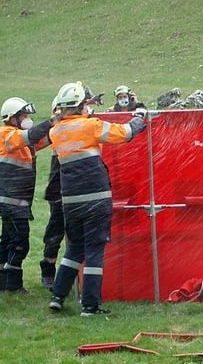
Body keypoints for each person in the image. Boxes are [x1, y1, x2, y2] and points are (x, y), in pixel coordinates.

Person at [48, 81, 147, 316]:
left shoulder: (56, 131)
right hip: (95, 198)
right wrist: (140, 117)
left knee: (74, 249)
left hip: (70, 201)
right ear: (81, 106)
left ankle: (57, 296)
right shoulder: (91, 126)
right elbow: (125, 134)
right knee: (94, 250)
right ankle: (90, 306)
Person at [39, 87, 104, 290]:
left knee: (73, 237)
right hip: (59, 183)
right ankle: (48, 271)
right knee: (55, 231)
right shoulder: (59, 127)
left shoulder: (74, 122)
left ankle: (68, 278)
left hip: (73, 184)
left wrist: (90, 103)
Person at [0, 97, 54, 293]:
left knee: (8, 239)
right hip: (11, 199)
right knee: (20, 239)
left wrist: (58, 130)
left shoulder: (18, 136)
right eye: (23, 116)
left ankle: (3, 284)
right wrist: (52, 121)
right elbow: (30, 136)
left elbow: (39, 140)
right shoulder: (7, 134)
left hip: (12, 198)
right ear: (11, 118)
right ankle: (13, 285)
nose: (27, 119)